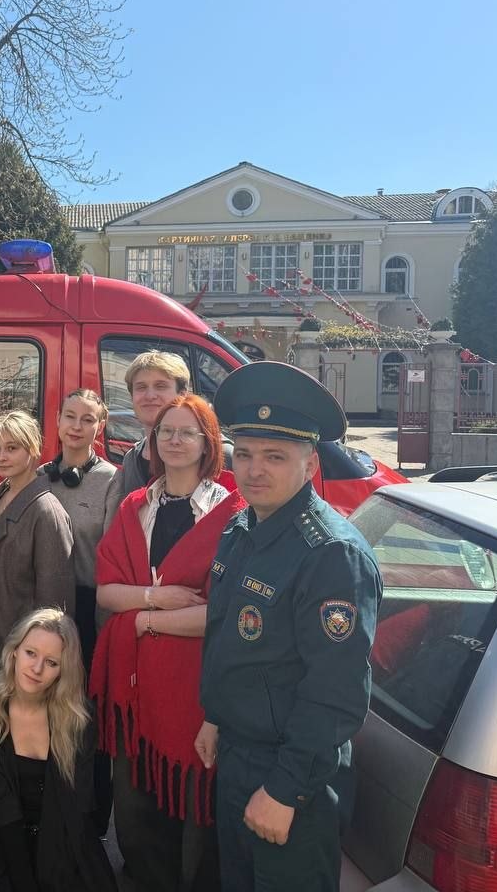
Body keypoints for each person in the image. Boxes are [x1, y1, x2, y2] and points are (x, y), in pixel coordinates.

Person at [195, 362, 382, 892]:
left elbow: (336, 693)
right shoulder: (243, 526)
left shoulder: (330, 554)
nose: (254, 470)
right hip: (239, 753)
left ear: (310, 462)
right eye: (244, 454)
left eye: (274, 456)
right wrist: (215, 715)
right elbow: (231, 638)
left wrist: (284, 790)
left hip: (291, 774)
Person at [90, 394, 244, 892]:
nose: (175, 441)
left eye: (187, 432)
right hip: (137, 685)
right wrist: (157, 600)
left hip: (196, 686)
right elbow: (107, 591)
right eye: (165, 432)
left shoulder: (233, 514)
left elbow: (223, 615)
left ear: (208, 443)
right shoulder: (136, 506)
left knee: (194, 800)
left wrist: (143, 622)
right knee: (138, 798)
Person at [0, 608, 118, 892]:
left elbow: (76, 806)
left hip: (65, 841)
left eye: (51, 662)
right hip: (5, 845)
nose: (36, 669)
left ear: (63, 671)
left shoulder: (79, 720)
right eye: (30, 653)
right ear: (14, 652)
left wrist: (54, 879)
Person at [39, 389, 117, 834]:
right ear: (57, 420)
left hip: (88, 608)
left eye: (87, 419)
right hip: (45, 605)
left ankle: (91, 815)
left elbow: (112, 554)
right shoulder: (39, 478)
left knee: (86, 710)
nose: (76, 426)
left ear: (99, 427)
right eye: (70, 416)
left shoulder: (111, 480)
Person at [0, 410, 74, 706]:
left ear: (33, 449)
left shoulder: (47, 512)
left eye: (12, 448)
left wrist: (37, 659)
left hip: (15, 651)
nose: (1, 457)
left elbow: (54, 604)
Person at [106, 351, 190, 513]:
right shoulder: (131, 461)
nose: (150, 395)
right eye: (141, 387)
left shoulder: (214, 453)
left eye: (160, 386)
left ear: (182, 394)